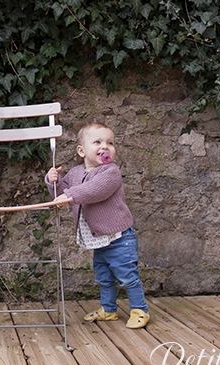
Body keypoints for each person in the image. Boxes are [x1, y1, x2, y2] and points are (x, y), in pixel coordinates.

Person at [45, 121, 149, 328]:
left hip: (119, 236)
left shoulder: (110, 172)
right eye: (98, 142)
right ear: (82, 151)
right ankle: (109, 309)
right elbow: (61, 195)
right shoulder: (75, 173)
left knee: (127, 275)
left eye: (110, 143)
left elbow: (95, 190)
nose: (105, 147)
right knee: (103, 275)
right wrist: (52, 181)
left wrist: (70, 194)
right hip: (98, 238)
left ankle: (140, 310)